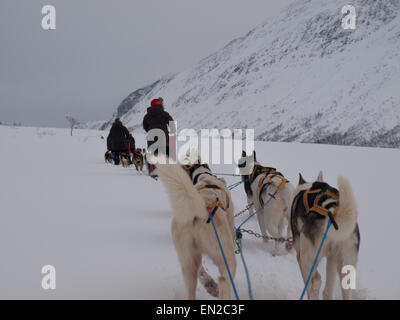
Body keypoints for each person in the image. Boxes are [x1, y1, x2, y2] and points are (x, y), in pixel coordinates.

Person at [142, 98, 176, 176]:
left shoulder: (147, 116)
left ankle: (153, 169)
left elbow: (145, 126)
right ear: (160, 105)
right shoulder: (164, 114)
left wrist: (150, 130)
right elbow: (172, 124)